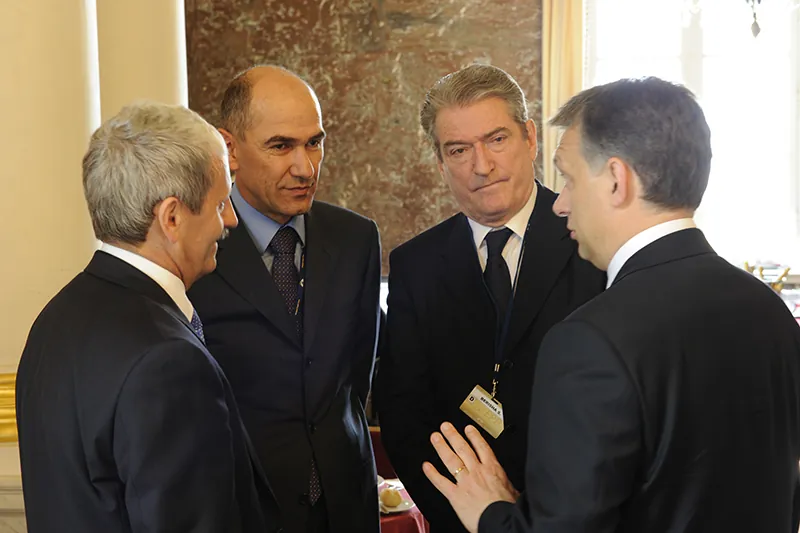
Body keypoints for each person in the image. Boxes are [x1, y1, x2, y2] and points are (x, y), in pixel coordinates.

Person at [422, 77, 800, 533]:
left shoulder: (589, 341)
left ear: (617, 180)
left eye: (569, 178)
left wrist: (492, 513)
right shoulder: (769, 310)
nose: (560, 204)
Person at [16, 102, 282, 533]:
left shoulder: (54, 319)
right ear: (172, 217)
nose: (230, 220)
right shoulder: (169, 362)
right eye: (220, 204)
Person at [375, 64, 605, 533]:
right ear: (440, 162)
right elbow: (404, 414)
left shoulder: (595, 242)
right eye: (459, 150)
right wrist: (476, 518)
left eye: (496, 139)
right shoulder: (415, 265)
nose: (481, 166)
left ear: (530, 139)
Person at [188, 65, 381, 533]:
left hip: (346, 506)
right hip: (245, 508)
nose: (305, 167)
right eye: (280, 146)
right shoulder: (195, 249)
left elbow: (356, 378)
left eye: (314, 142)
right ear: (230, 149)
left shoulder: (356, 238)